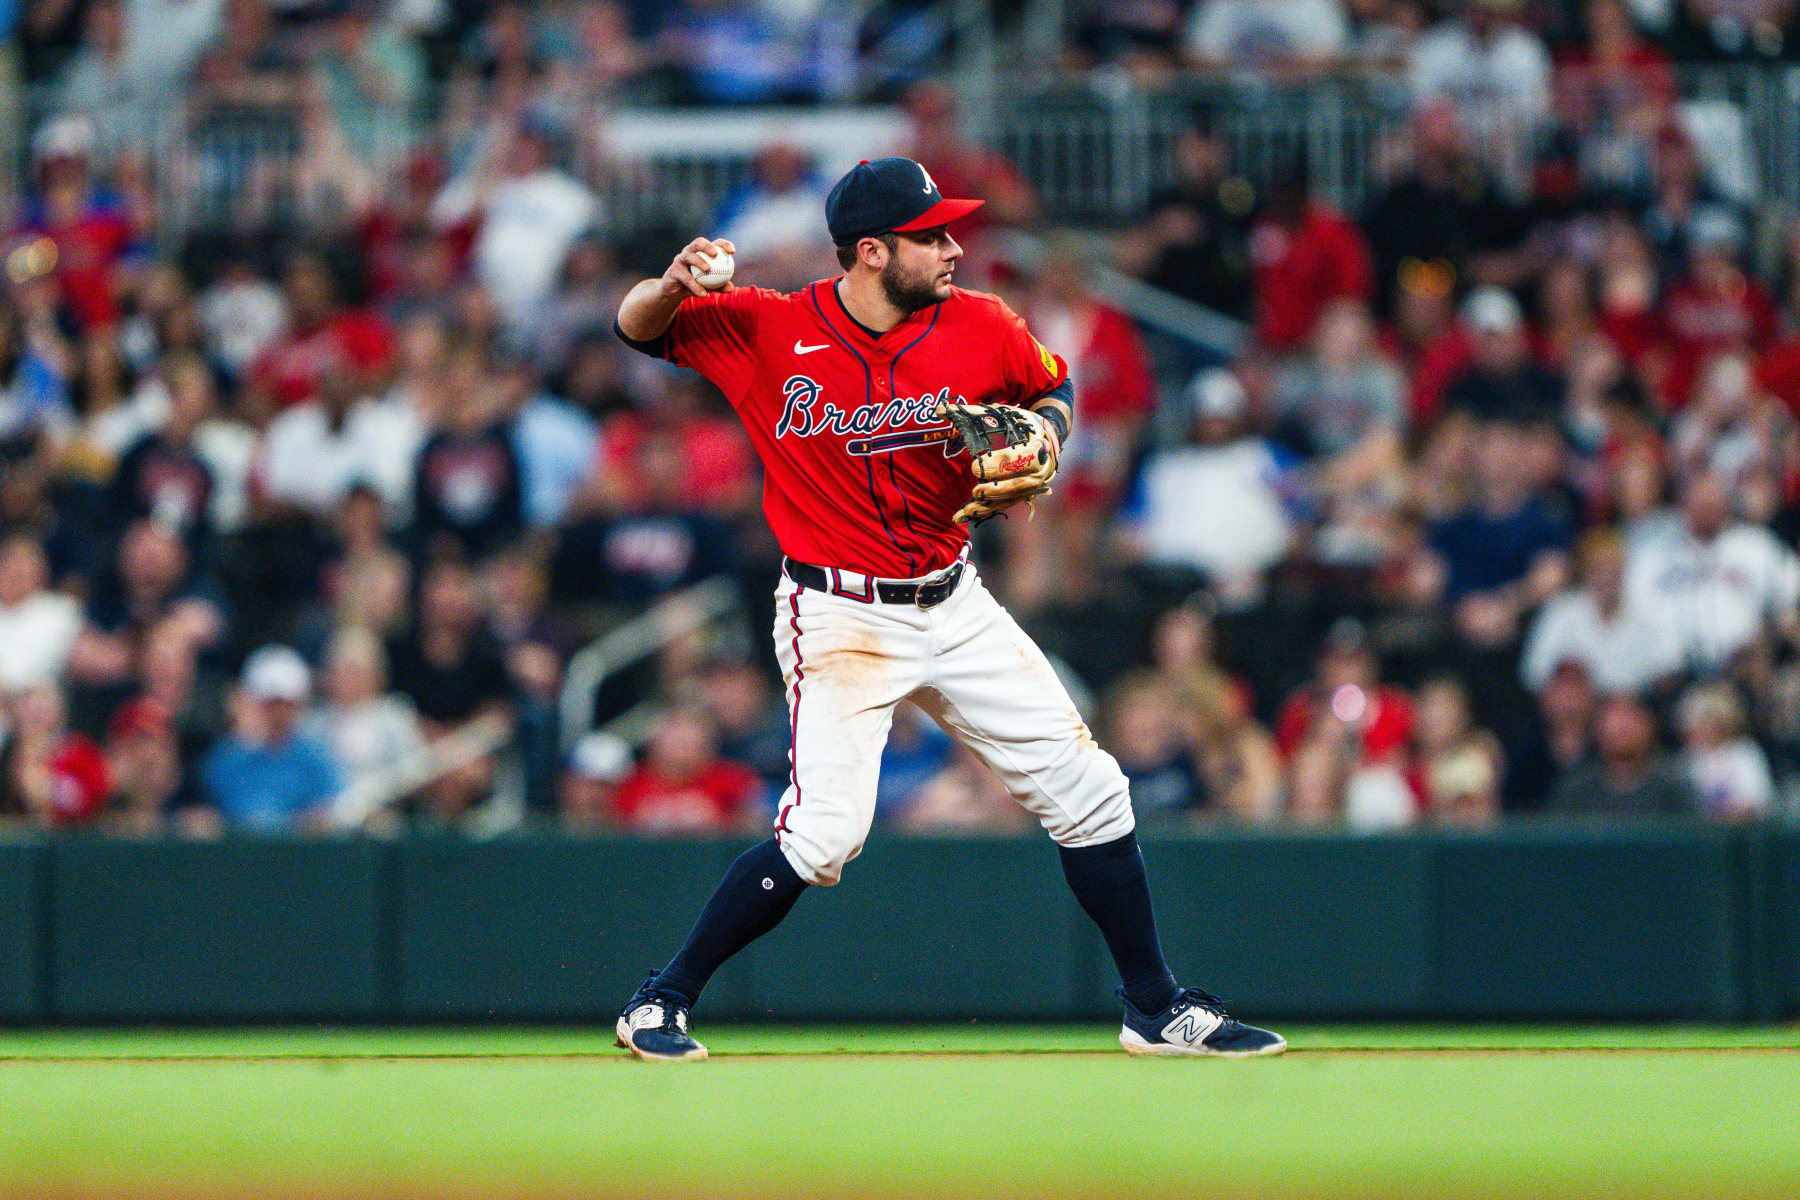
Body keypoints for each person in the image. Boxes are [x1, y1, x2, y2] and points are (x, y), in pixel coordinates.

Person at [611, 157, 1284, 1061]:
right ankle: (660, 1000)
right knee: (823, 834)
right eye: (932, 235)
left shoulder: (982, 323)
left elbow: (1053, 386)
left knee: (1091, 791)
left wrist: (1048, 428)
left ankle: (1154, 1007)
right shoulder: (768, 326)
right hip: (840, 612)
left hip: (955, 600)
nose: (954, 245)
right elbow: (637, 327)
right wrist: (670, 284)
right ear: (874, 252)